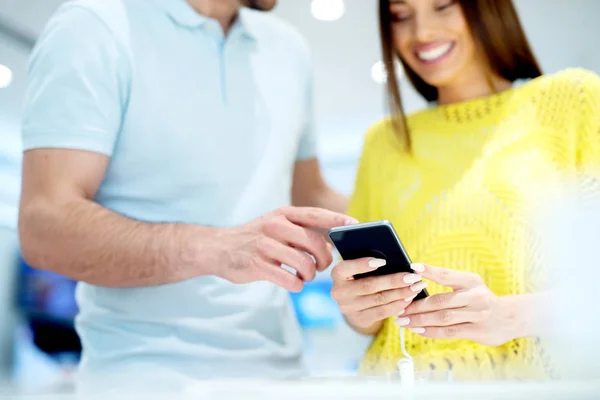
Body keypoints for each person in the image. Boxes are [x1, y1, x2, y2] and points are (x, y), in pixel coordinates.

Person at [18, 0, 354, 390]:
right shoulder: (94, 25)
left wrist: (424, 219)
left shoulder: (289, 49)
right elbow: (44, 225)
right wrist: (215, 248)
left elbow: (312, 194)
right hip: (142, 379)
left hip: (282, 374)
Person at [330, 0, 600, 380]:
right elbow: (370, 322)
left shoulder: (574, 102)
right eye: (400, 16)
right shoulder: (383, 142)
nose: (421, 33)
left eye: (442, 5)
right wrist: (358, 310)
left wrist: (510, 316)